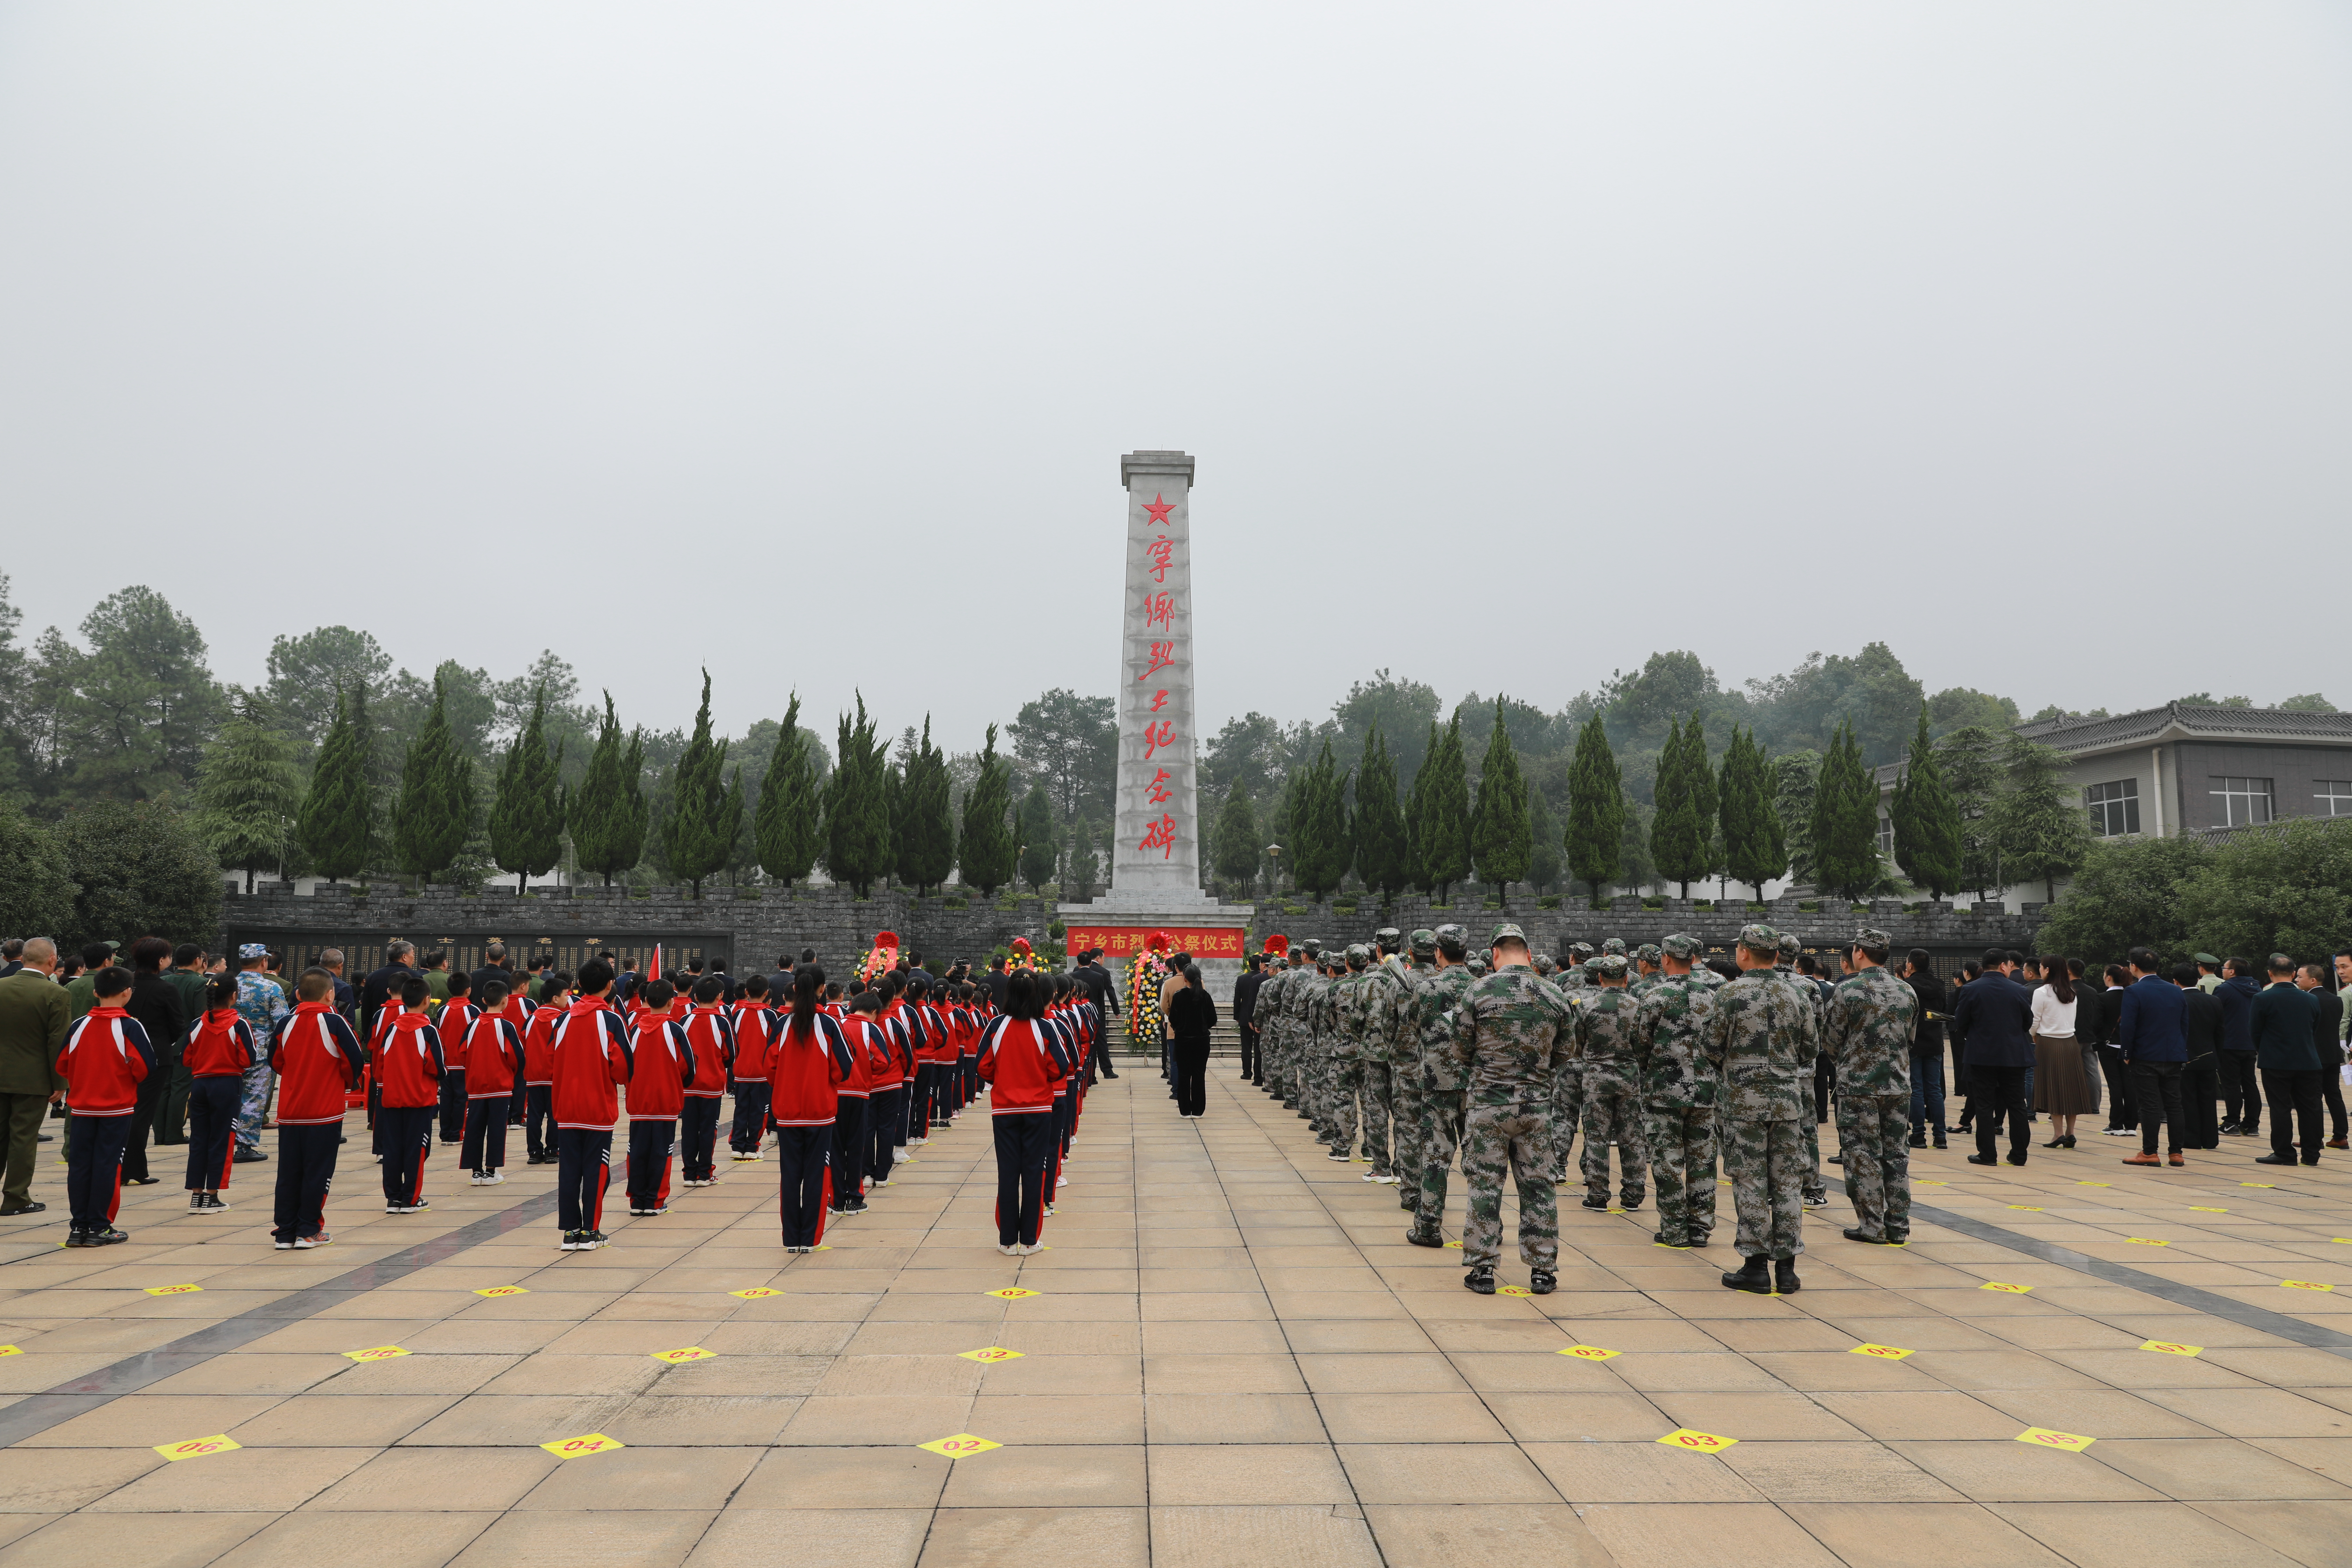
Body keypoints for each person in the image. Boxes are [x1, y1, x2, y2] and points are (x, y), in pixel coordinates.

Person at [1448, 923, 1571, 1296]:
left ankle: (1483, 1268)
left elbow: (1459, 1048)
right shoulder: (1554, 993)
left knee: (1485, 1185)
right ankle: (1543, 1270)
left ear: (1495, 954)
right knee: (1539, 1186)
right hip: (1536, 1105)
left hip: (1489, 1104)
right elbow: (1566, 1051)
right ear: (1529, 955)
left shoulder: (1479, 990)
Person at [1701, 925, 1818, 1295]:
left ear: (1745, 953)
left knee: (1751, 1181)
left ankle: (1755, 1266)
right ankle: (1787, 1269)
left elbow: (1710, 1046)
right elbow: (1811, 1048)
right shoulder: (1797, 993)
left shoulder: (1731, 993)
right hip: (1786, 1102)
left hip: (1743, 1103)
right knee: (1787, 1183)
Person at [1824, 929, 1918, 1246]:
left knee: (1862, 1155)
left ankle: (1872, 1226)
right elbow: (1910, 1038)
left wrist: (1850, 1063)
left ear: (1859, 953)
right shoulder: (1908, 991)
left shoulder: (1847, 990)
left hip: (1859, 1087)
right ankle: (1899, 1225)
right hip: (1898, 1086)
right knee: (1896, 1155)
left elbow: (1832, 1041)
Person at [1630, 933, 1718, 1249]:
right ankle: (1700, 1227)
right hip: (1706, 1091)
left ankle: (1675, 1229)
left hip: (1663, 1092)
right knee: (1703, 1160)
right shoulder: (1712, 996)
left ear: (1666, 958)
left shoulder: (1654, 997)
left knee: (1667, 1161)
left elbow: (1640, 1043)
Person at [56, 966, 155, 1246]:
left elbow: (63, 1063)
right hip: (116, 1108)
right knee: (107, 1167)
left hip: (82, 1107)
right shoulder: (131, 1026)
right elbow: (146, 1068)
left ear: (95, 992)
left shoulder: (78, 1026)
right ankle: (100, 1226)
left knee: (79, 1167)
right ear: (128, 993)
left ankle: (78, 1227)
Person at [268, 968, 362, 1247]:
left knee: (289, 1172)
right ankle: (309, 1230)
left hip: (291, 1110)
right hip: (324, 1111)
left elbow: (276, 1061)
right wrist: (342, 1083)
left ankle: (285, 1231)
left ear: (298, 994)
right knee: (318, 1172)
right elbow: (354, 1061)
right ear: (330, 994)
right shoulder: (335, 1022)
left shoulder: (286, 1022)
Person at [976, 969, 1068, 1254]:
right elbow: (1061, 1067)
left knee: (1007, 1173)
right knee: (1033, 1173)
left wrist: (1003, 1081)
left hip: (1004, 1110)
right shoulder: (1046, 1028)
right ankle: (1029, 1241)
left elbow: (983, 1066)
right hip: (1039, 1109)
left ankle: (1006, 1241)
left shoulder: (996, 1026)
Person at [549, 959, 631, 1249]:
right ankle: (590, 1231)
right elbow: (623, 1068)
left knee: (569, 1169)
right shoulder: (611, 1020)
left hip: (567, 1107)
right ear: (610, 986)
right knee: (597, 1169)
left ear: (579, 985)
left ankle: (570, 1231)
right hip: (597, 1107)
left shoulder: (562, 1020)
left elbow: (551, 1060)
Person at [772, 966, 851, 1251]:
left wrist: (786, 1084)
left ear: (794, 989)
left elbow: (770, 1067)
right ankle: (810, 1239)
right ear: (822, 990)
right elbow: (844, 1068)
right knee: (817, 1175)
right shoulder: (829, 1025)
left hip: (788, 1112)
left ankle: (791, 1239)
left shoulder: (781, 1025)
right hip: (820, 1113)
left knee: (791, 1175)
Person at [1572, 954, 1647, 1212]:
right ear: (1627, 979)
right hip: (1629, 1078)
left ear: (1600, 978)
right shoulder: (1640, 1006)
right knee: (1632, 1137)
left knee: (1597, 1138)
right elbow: (1645, 1044)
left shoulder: (1586, 1005)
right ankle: (1634, 1194)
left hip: (1596, 1079)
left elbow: (1576, 1045)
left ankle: (1598, 1194)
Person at [0, 939, 71, 1217]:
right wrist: (59, 1083)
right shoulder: (54, 993)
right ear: (52, 960)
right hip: (33, 1079)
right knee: (23, 1139)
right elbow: (57, 1043)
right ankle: (16, 1197)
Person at [1953, 946, 2035, 1168]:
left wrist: (1978, 1036)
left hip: (1982, 1055)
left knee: (1984, 1105)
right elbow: (2027, 1022)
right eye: (2009, 965)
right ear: (2003, 966)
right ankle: (2019, 1155)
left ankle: (1988, 1155)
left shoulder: (1971, 989)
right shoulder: (2019, 990)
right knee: (2017, 1104)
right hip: (2013, 1055)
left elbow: (1961, 1022)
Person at [180, 974, 255, 1212]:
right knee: (222, 1139)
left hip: (200, 1085)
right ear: (234, 996)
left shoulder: (197, 1024)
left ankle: (196, 1195)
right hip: (227, 1085)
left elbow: (186, 1058)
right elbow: (248, 1059)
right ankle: (212, 1195)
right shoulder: (239, 1024)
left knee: (199, 1139)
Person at [374, 977, 446, 1211]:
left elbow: (380, 1064)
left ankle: (393, 1197)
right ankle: (411, 1198)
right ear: (428, 1001)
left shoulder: (392, 1029)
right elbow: (437, 1067)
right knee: (417, 1148)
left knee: (393, 1147)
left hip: (392, 1098)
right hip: (419, 1099)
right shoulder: (428, 1031)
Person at [623, 981, 694, 1216]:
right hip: (665, 1103)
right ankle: (655, 1201)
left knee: (637, 1151)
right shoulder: (675, 1030)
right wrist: (676, 1085)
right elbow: (689, 1068)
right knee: (662, 1152)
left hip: (639, 1103)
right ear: (671, 1002)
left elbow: (625, 1067)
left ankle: (637, 1200)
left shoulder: (633, 1030)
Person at [2116, 946, 2189, 1168]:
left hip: (2145, 1055)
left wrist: (2126, 1053)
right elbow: (2183, 1024)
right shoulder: (2176, 990)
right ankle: (2176, 1153)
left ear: (2134, 967)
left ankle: (2150, 1152)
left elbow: (2128, 1026)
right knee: (2175, 1105)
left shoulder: (2133, 991)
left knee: (2149, 1106)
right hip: (2173, 1055)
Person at [2251, 954, 2324, 1167]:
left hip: (2276, 1062)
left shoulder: (2262, 998)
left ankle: (2284, 1152)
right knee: (2310, 1108)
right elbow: (2314, 1028)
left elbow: (2255, 1032)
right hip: (2308, 1060)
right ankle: (2312, 1154)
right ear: (2293, 974)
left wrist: (2265, 1051)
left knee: (2280, 1108)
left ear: (2270, 973)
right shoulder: (2311, 999)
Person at [231, 944, 289, 1163]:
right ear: (264, 961)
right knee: (253, 1101)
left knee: (231, 1099)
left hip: (230, 1051)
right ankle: (245, 1147)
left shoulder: (228, 985)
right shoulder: (271, 988)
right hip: (260, 1053)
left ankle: (225, 1142)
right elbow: (282, 1023)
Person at [460, 981, 523, 1184]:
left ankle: (476, 1172)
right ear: (506, 1000)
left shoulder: (472, 1026)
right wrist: (509, 1074)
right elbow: (517, 1058)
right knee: (497, 1129)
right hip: (500, 1087)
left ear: (484, 1000)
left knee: (474, 1128)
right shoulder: (506, 1026)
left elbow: (462, 1053)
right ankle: (491, 1171)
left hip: (476, 1086)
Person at [2030, 955, 2090, 1147]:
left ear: (2047, 970)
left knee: (2054, 1087)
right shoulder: (2071, 991)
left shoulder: (2042, 992)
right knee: (2071, 1088)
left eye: (2041, 967)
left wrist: (2033, 1035)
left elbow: (2034, 1021)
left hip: (2048, 1042)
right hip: (2070, 1043)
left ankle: (2058, 1134)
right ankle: (2070, 1133)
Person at [678, 977, 732, 1186]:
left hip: (688, 1085)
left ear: (696, 996)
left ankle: (689, 1174)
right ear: (720, 996)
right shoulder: (722, 1022)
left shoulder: (685, 1021)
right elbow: (731, 1055)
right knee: (709, 1129)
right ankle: (704, 1173)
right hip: (712, 1084)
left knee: (689, 1129)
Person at [2294, 962, 2347, 1149]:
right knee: (2334, 1095)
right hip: (2333, 1054)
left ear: (2313, 980)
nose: (2297, 980)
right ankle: (2341, 1136)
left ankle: (2312, 1137)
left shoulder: (2307, 1000)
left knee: (2312, 1098)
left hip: (2313, 1056)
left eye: (2300, 977)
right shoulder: (2336, 999)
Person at [1902, 952, 1948, 1149]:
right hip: (1934, 1042)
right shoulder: (1940, 986)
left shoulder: (1907, 986)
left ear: (1910, 965)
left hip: (1914, 1044)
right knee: (1935, 1091)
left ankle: (1918, 1135)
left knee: (1916, 1090)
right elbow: (1943, 1013)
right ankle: (1941, 1137)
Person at [2176, 963, 2224, 1150]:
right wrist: (2217, 1057)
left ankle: (2192, 1139)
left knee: (2187, 1099)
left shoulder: (2177, 1000)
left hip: (2184, 1057)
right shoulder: (2214, 1001)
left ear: (2175, 981)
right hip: (2209, 1057)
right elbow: (2220, 1032)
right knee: (2208, 1099)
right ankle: (2210, 1139)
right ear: (2198, 980)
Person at [2216, 958, 2262, 1136]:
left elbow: (2215, 1012)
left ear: (2232, 972)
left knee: (2231, 1084)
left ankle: (2231, 1122)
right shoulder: (2257, 988)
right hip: (2250, 1043)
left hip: (2229, 1043)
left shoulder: (2225, 989)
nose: (2223, 971)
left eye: (2225, 968)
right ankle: (2252, 1124)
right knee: (2250, 1083)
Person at [1167, 962, 1217, 1118]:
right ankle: (1198, 1110)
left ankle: (1185, 1111)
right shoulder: (1206, 996)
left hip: (1183, 1042)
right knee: (1199, 1075)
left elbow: (1173, 1019)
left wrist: (1180, 1029)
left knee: (1184, 1075)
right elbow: (1212, 1019)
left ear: (1185, 979)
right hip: (1201, 1042)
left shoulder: (1179, 996)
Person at [434, 970, 475, 1145]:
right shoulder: (473, 1010)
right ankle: (457, 1134)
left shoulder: (442, 1011)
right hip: (464, 1064)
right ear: (468, 990)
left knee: (446, 1099)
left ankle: (445, 1134)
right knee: (462, 1100)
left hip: (446, 1064)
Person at [1232, 953, 1265, 1083]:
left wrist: (1237, 1016)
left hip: (1245, 1016)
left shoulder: (1242, 979)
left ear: (1249, 965)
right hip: (1260, 1018)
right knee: (1258, 1048)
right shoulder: (1264, 978)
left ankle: (1247, 1073)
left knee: (1246, 1047)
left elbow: (1237, 999)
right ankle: (1259, 1074)